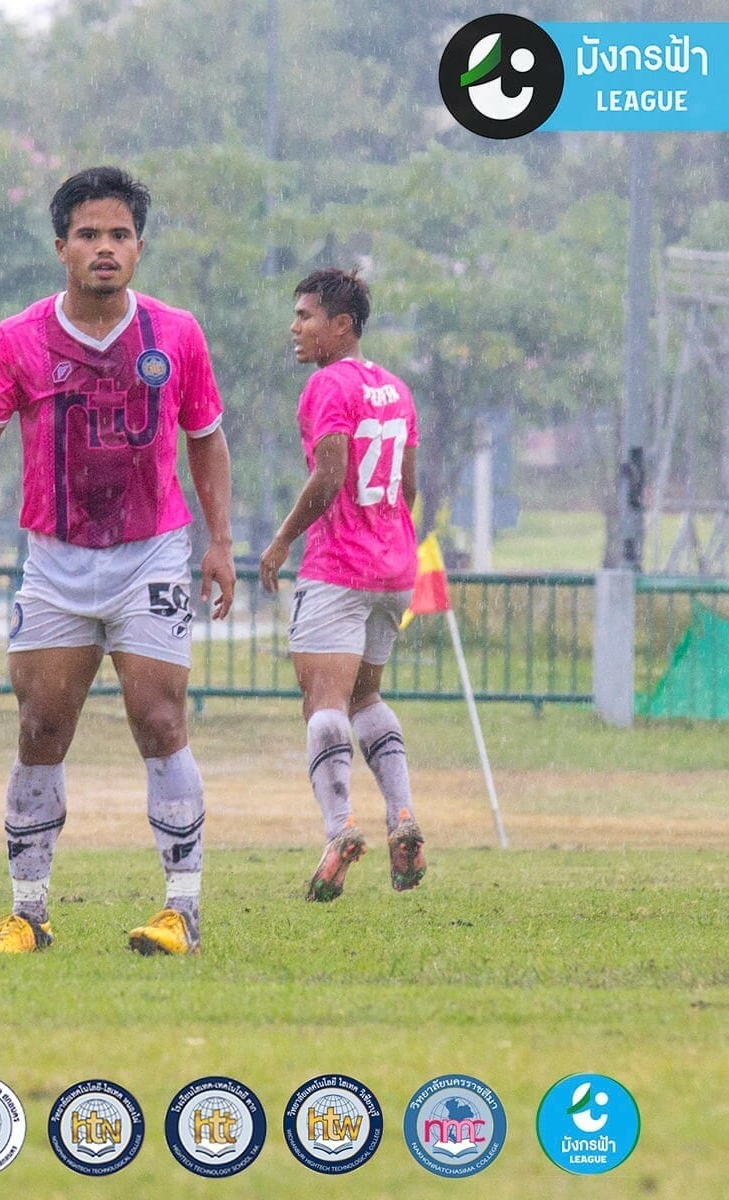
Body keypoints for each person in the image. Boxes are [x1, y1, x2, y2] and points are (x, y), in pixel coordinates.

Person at [0, 166, 235, 957]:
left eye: (120, 235)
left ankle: (182, 912)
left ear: (139, 249)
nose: (105, 248)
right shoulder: (18, 339)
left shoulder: (178, 335)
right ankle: (28, 914)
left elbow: (206, 441)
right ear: (61, 247)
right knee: (41, 725)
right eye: (89, 234)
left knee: (159, 718)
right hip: (55, 562)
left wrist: (222, 542)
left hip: (151, 553)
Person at [259, 267, 427, 902]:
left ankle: (340, 830)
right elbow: (409, 485)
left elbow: (329, 476)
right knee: (365, 696)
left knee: (323, 703)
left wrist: (281, 542)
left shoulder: (328, 385)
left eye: (306, 317)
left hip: (339, 567)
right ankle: (402, 815)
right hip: (395, 567)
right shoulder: (396, 389)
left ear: (342, 326)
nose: (295, 328)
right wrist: (388, 539)